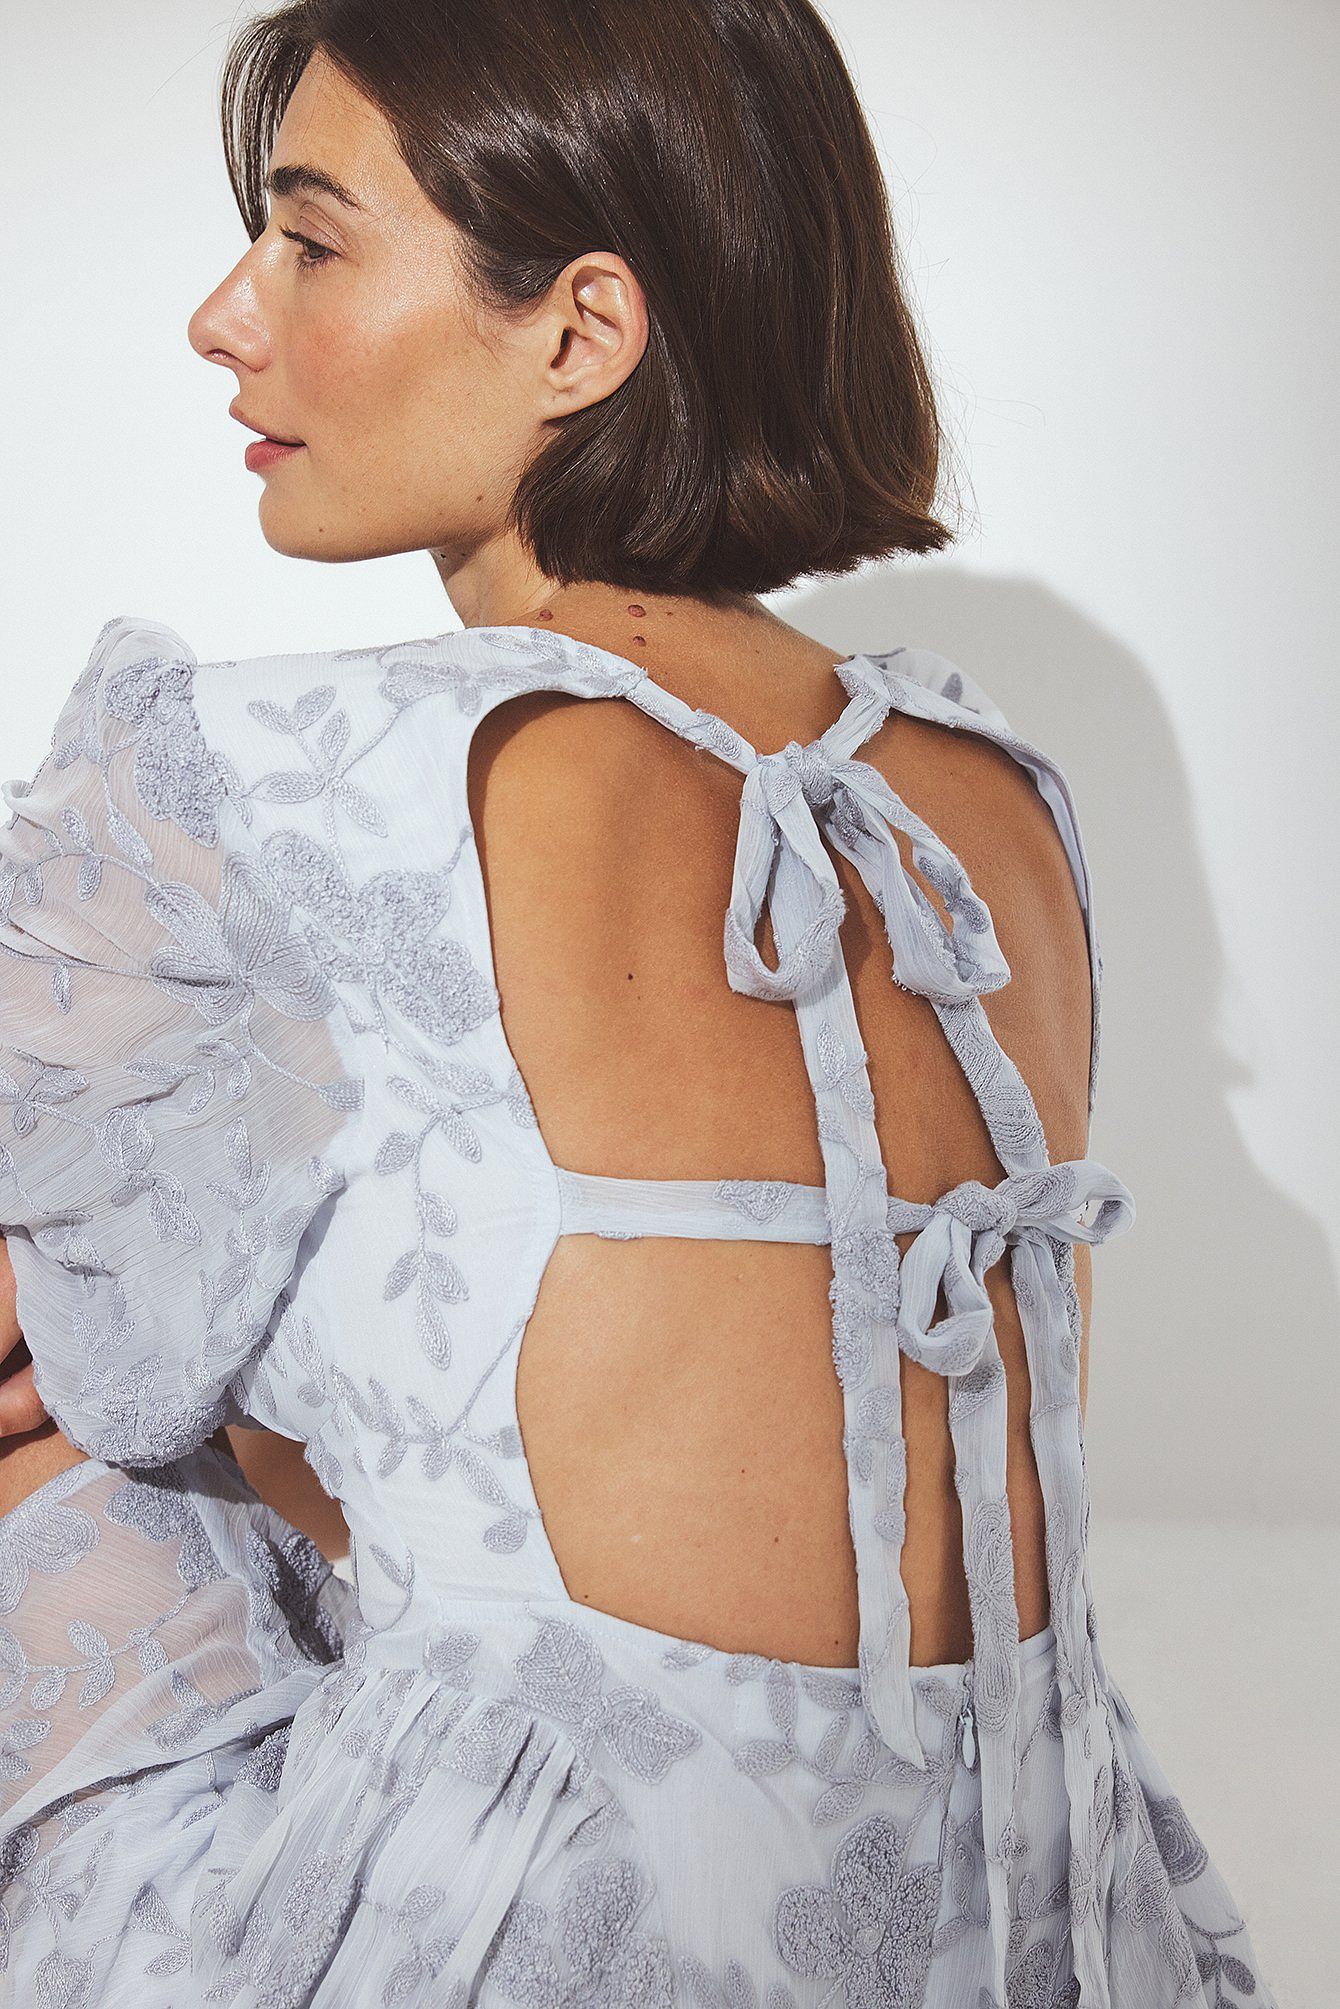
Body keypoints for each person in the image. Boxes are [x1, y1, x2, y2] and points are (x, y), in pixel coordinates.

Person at [0, 2, 1277, 2002]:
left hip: (537, 1934)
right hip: (1041, 1927)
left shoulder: (271, 777)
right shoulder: (988, 801)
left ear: (584, 333)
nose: (223, 320)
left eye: (310, 242)